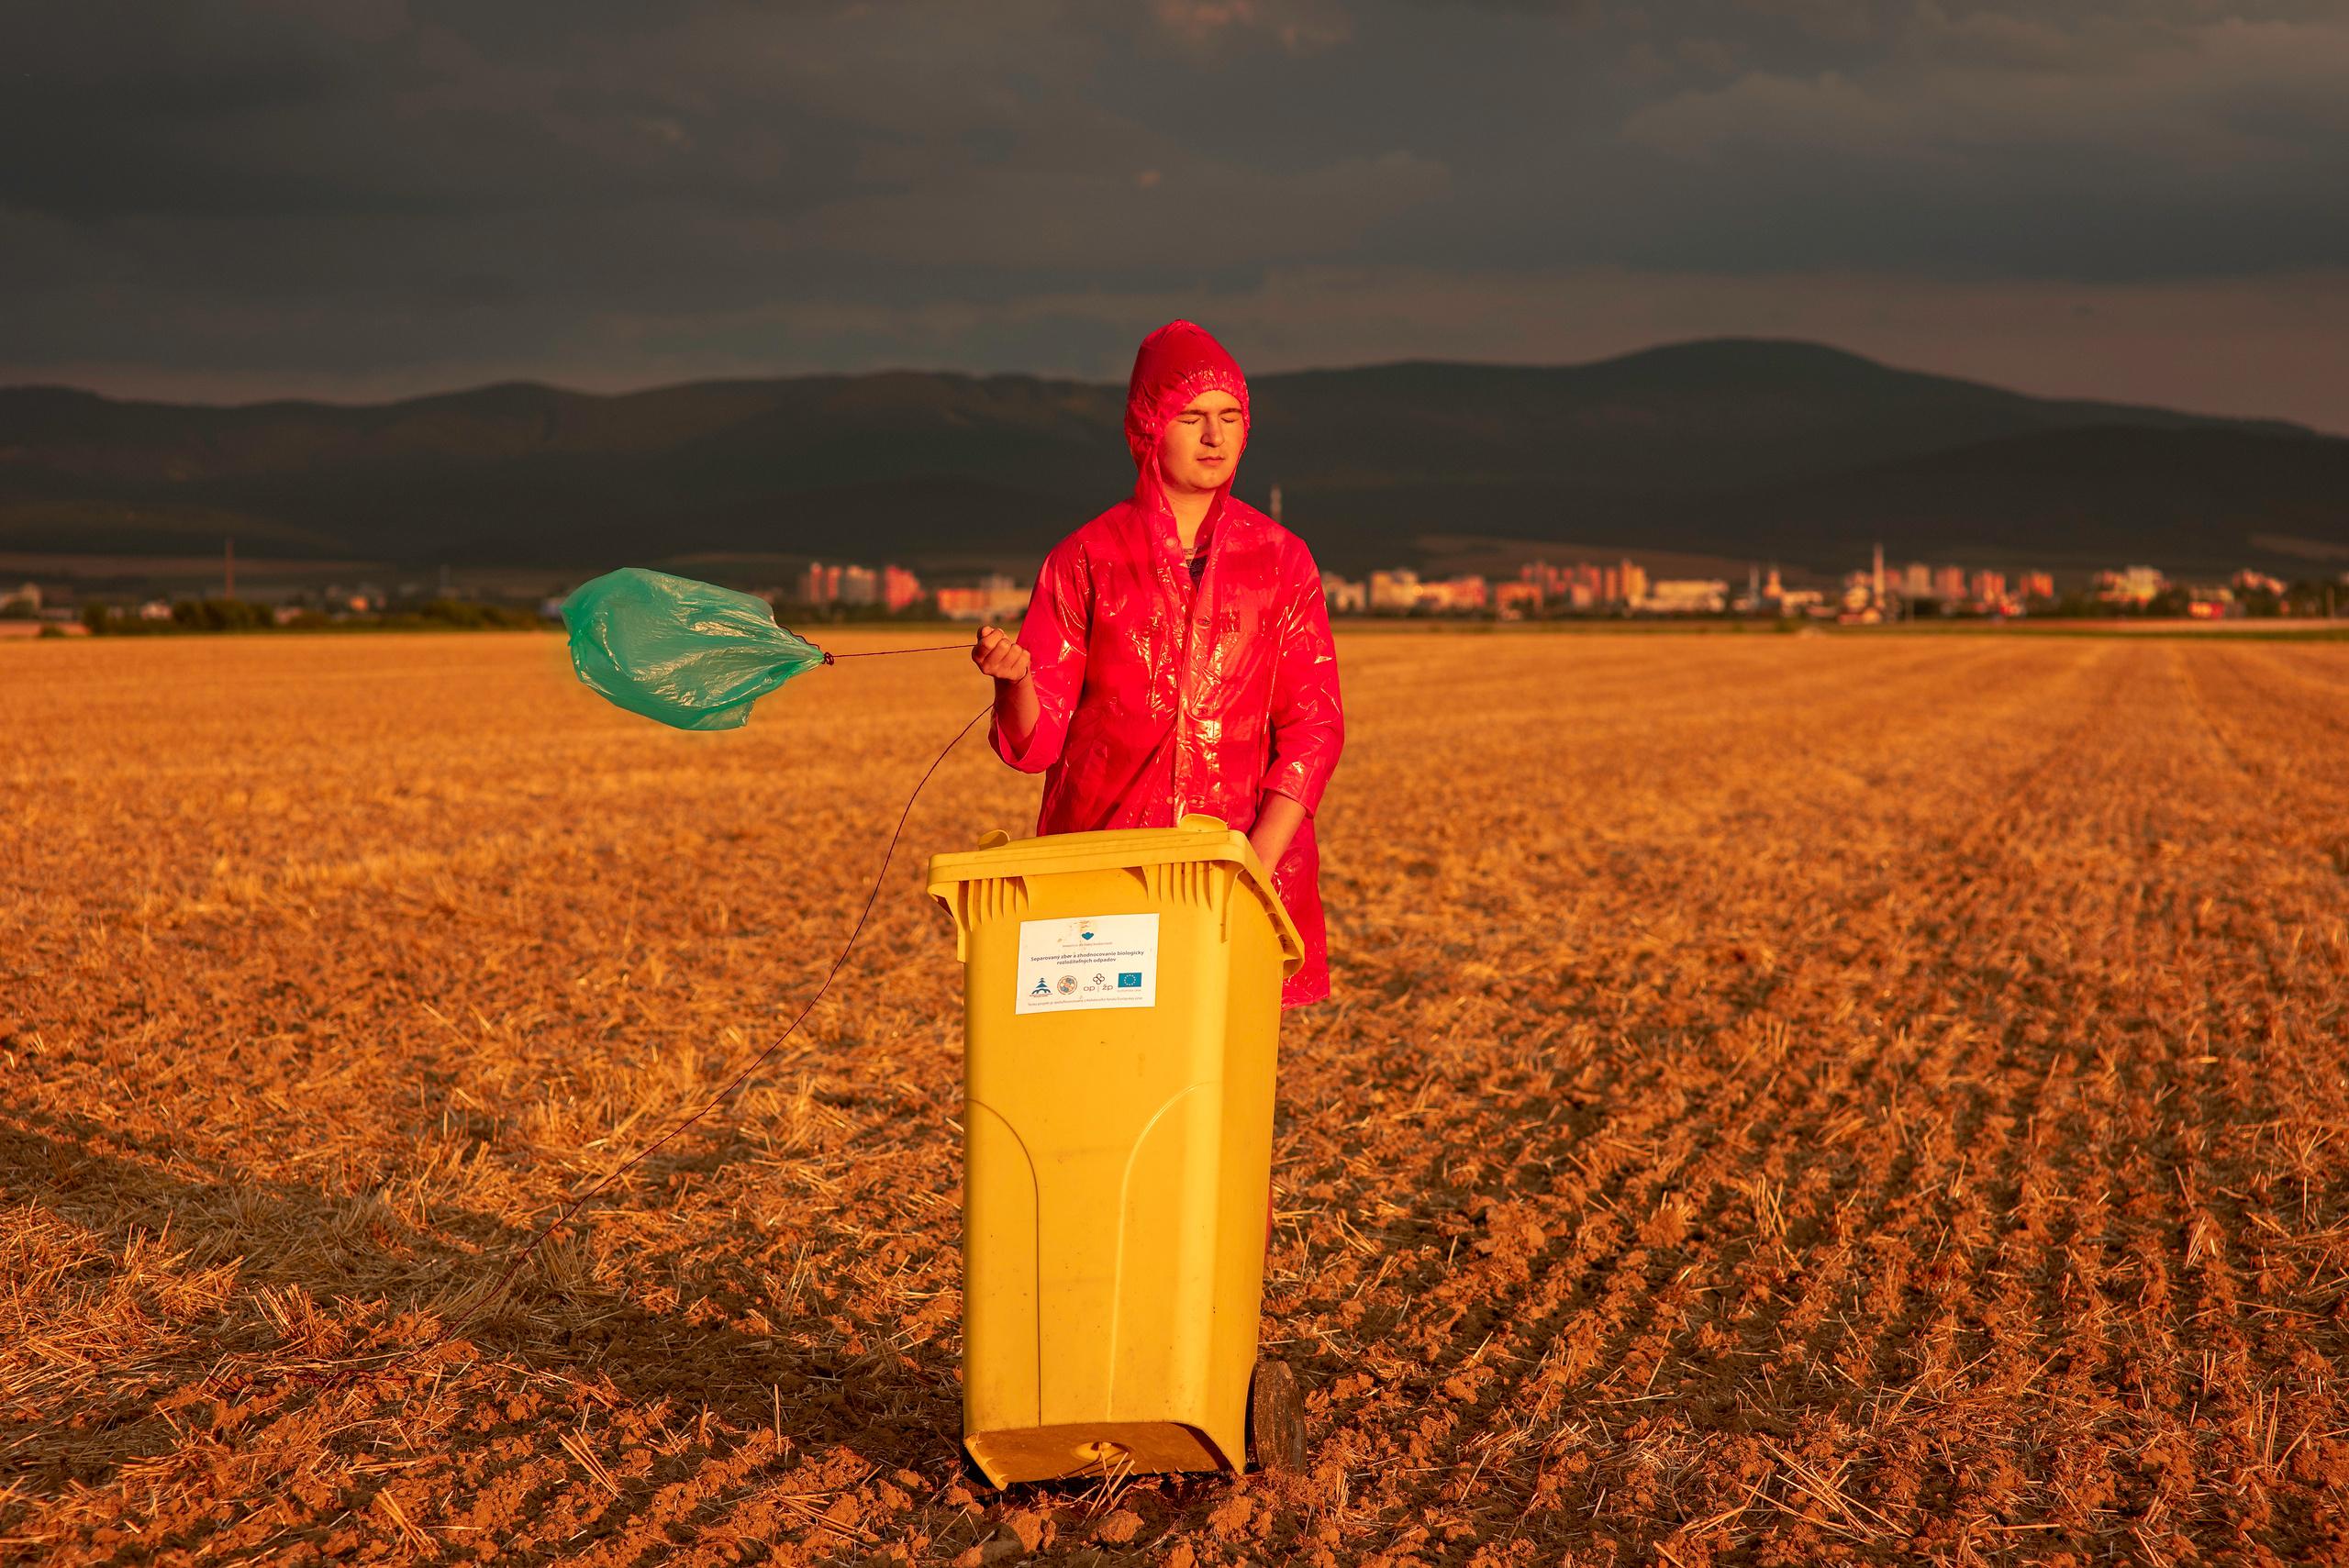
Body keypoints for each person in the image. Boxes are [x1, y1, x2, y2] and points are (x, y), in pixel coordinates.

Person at [972, 321, 1344, 1007]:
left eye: (1230, 416)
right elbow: (1036, 744)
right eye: (1191, 416)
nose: (1215, 436)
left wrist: (1251, 867)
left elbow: (1313, 728)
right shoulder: (1085, 559)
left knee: (1211, 1058)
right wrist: (1016, 682)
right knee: (1101, 1057)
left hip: (1240, 868)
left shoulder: (1283, 560)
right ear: (1148, 427)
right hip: (1105, 873)